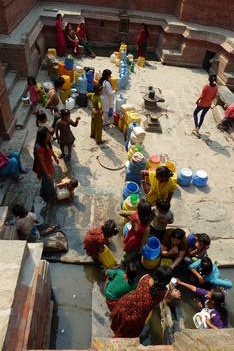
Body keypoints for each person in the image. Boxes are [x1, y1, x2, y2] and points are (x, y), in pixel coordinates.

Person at [110, 265, 181, 338]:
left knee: (119, 322)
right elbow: (169, 296)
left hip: (126, 303)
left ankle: (115, 335)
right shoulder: (163, 293)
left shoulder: (145, 277)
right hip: (135, 317)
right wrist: (174, 295)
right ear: (166, 282)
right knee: (125, 333)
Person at [120, 199, 152, 264]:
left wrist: (130, 219)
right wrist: (140, 251)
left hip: (129, 235)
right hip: (136, 242)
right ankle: (123, 262)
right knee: (131, 254)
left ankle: (124, 259)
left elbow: (121, 213)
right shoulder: (147, 228)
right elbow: (143, 242)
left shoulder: (133, 214)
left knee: (127, 249)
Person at [33, 126, 59, 202]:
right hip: (45, 167)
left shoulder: (46, 142)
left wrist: (55, 157)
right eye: (47, 136)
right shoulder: (40, 148)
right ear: (42, 137)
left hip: (49, 163)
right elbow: (42, 162)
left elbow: (50, 150)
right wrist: (47, 173)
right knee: (49, 182)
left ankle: (43, 191)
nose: (49, 137)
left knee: (45, 181)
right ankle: (51, 196)